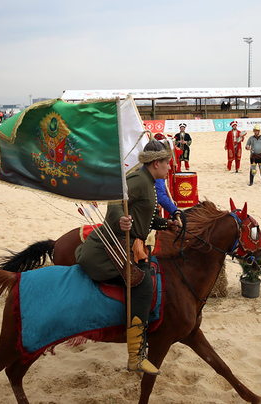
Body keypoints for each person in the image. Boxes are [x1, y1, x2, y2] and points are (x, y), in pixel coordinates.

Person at [74, 140, 179, 376]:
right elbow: (115, 202)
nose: (169, 167)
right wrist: (120, 218)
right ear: (156, 163)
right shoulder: (139, 179)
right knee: (143, 284)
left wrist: (167, 224)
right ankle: (135, 356)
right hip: (110, 246)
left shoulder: (149, 181)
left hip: (130, 243)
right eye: (167, 162)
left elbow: (146, 218)